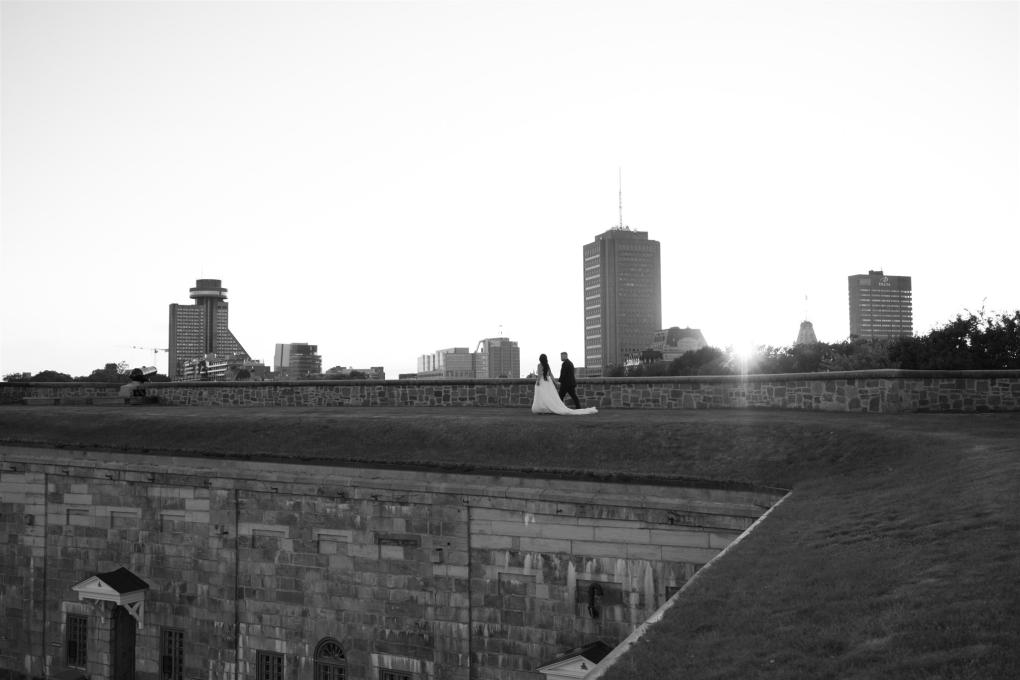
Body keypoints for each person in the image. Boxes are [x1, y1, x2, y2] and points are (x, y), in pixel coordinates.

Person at [531, 354, 597, 415]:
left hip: (544, 382)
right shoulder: (547, 365)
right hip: (549, 382)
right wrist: (555, 382)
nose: (561, 357)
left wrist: (538, 381)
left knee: (544, 396)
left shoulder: (539, 365)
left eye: (562, 356)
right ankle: (552, 407)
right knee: (550, 396)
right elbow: (551, 375)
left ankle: (544, 408)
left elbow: (540, 374)